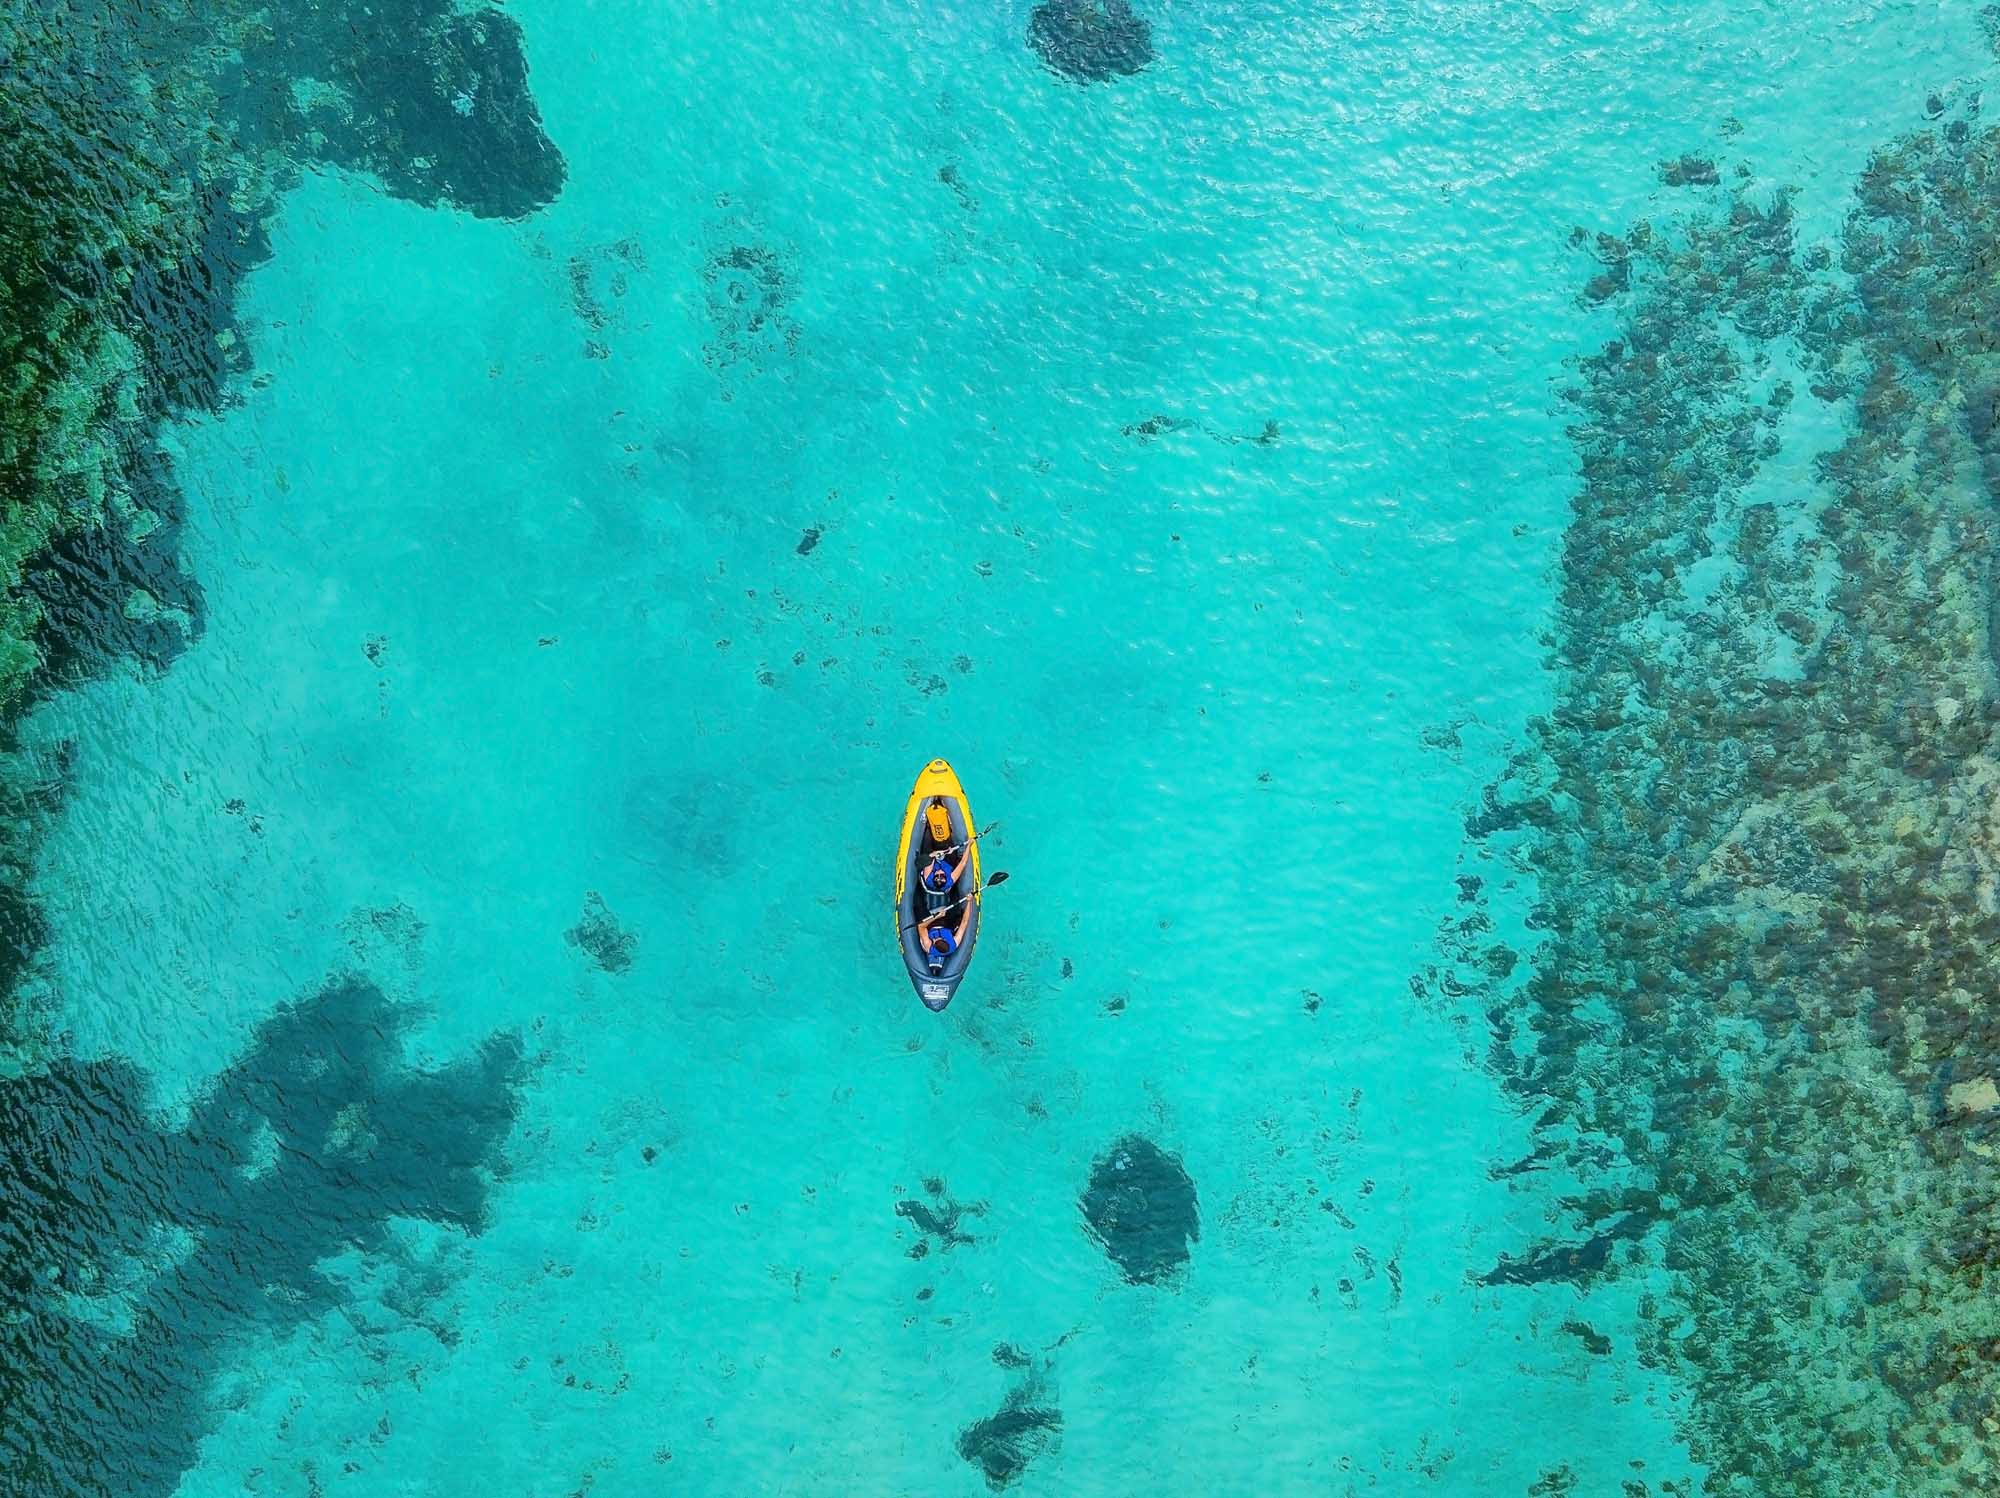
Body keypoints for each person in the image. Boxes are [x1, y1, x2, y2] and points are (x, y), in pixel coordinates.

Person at [918, 896, 975, 977]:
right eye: (938, 939)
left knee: (919, 908)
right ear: (945, 939)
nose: (935, 939)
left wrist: (937, 916)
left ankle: (920, 895)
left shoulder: (928, 945)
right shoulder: (954, 943)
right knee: (956, 908)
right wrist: (969, 902)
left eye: (934, 940)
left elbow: (921, 926)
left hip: (930, 924)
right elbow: (964, 923)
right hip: (945, 925)